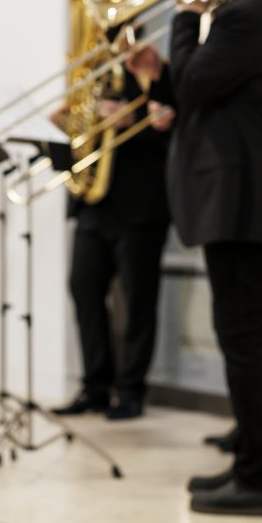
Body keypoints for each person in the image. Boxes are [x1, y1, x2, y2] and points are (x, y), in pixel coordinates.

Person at [127, 0, 262, 518]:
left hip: (244, 201)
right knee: (253, 336)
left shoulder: (253, 12)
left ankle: (259, 478)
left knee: (242, 340)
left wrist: (184, 21)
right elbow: (207, 95)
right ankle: (250, 459)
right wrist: (159, 75)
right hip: (252, 198)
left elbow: (197, 88)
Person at [50, 80, 174, 421]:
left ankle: (131, 390)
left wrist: (130, 120)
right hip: (92, 208)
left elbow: (172, 133)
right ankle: (96, 385)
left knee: (137, 301)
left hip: (141, 208)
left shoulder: (153, 78)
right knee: (83, 290)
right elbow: (69, 156)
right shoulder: (88, 81)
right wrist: (62, 130)